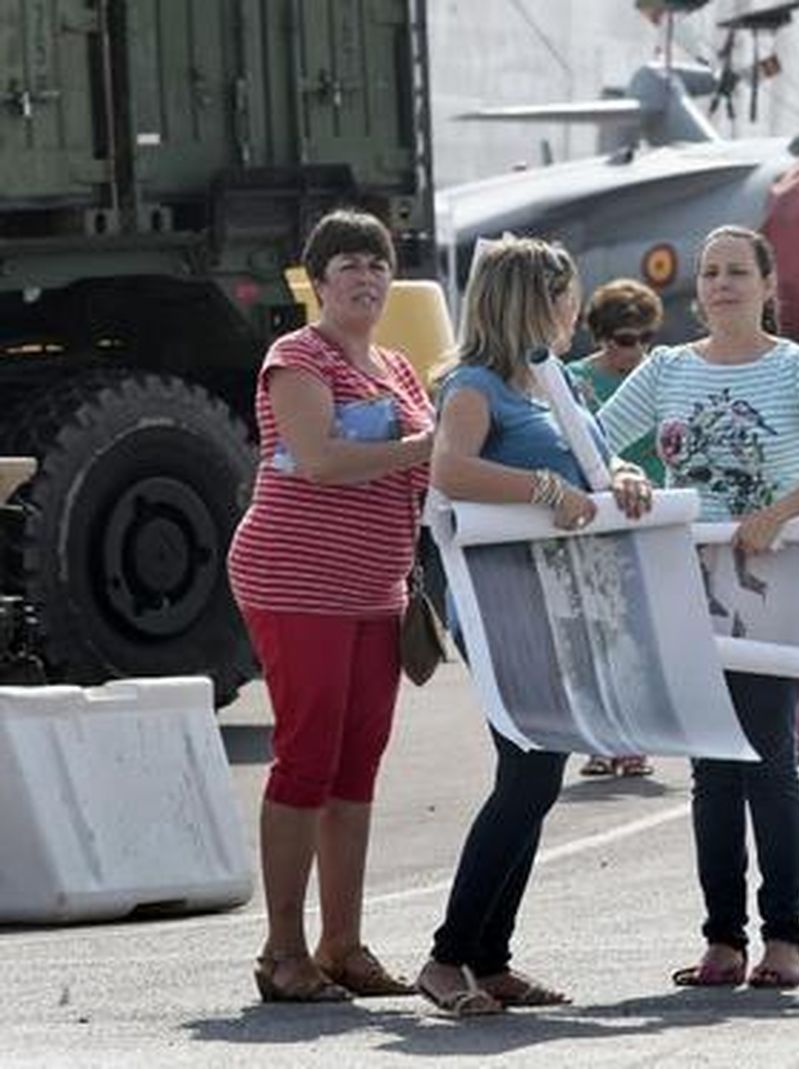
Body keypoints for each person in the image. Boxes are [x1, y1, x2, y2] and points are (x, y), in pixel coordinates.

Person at [599, 224, 799, 991]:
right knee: (711, 772)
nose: (722, 284)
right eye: (710, 272)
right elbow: (591, 445)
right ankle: (723, 939)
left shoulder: (798, 366)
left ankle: (784, 937)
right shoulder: (665, 369)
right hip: (683, 586)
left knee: (769, 762)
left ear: (766, 286)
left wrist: (781, 512)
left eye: (736, 272)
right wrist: (626, 470)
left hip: (768, 591)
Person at [417, 236, 656, 1016]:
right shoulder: (476, 385)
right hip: (498, 602)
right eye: (565, 296)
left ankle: (491, 955)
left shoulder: (556, 386)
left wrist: (624, 475)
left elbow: (598, 461)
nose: (574, 311)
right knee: (526, 773)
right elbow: (451, 469)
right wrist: (545, 487)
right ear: (531, 298)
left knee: (538, 775)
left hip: (553, 598)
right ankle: (450, 956)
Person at [227, 209, 433, 1002]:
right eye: (348, 263)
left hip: (374, 591)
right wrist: (426, 447)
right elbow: (318, 461)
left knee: (356, 767)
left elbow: (430, 472)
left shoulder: (398, 367)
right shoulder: (296, 357)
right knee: (307, 757)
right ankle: (283, 951)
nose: (367, 277)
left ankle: (342, 943)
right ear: (315, 282)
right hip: (296, 582)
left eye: (379, 264)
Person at [569, 277, 666, 779]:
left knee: (638, 631)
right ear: (603, 337)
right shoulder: (575, 381)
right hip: (592, 518)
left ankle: (635, 737)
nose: (637, 349)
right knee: (593, 630)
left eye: (645, 337)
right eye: (626, 339)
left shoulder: (660, 376)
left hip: (648, 517)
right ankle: (599, 739)